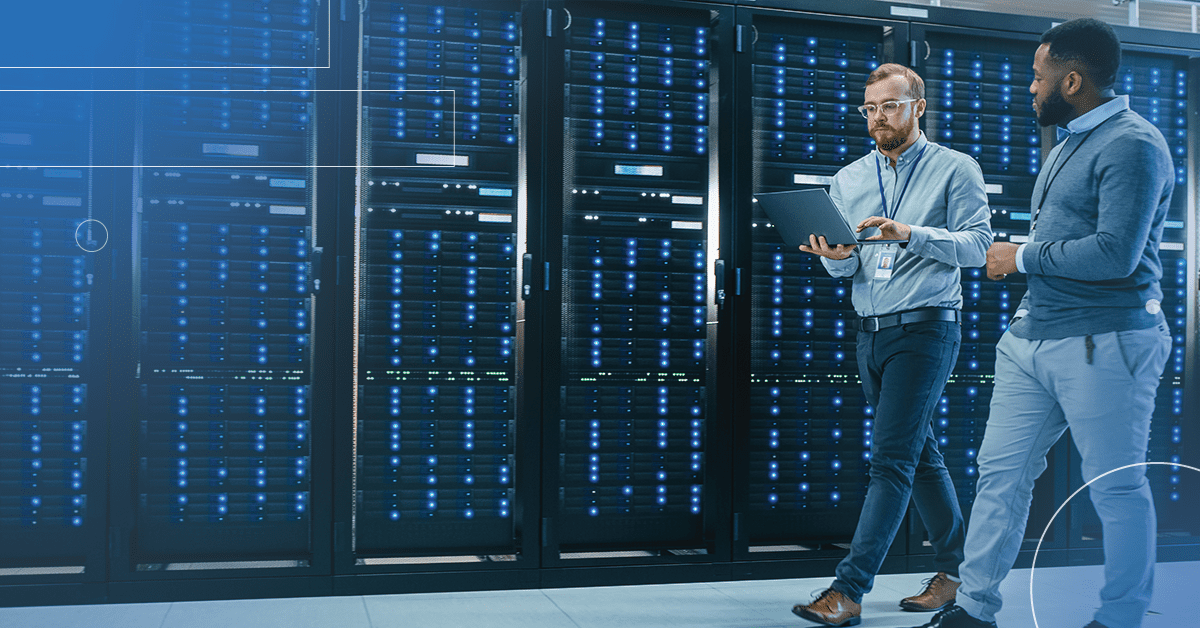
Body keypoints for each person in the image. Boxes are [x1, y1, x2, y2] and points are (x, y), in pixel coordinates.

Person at [912, 18, 1174, 628]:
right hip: (1034, 337)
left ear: (1073, 80)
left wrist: (1021, 255)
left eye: (1039, 76)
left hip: (1107, 340)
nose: (1031, 88)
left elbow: (1116, 254)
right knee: (1000, 476)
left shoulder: (1133, 144)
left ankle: (1121, 617)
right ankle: (973, 610)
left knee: (1114, 486)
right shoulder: (1071, 139)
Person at [791, 63, 994, 627]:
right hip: (870, 333)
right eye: (870, 108)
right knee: (918, 453)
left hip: (927, 329)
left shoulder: (956, 168)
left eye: (890, 106)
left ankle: (848, 591)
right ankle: (958, 572)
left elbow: (978, 247)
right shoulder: (849, 177)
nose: (879, 117)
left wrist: (911, 234)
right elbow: (853, 262)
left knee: (891, 461)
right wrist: (837, 260)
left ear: (918, 107)